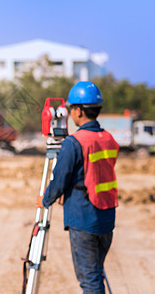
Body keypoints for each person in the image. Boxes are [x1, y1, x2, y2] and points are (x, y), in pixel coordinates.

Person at [39, 81, 119, 293]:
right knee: (96, 273)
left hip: (84, 219)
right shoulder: (108, 139)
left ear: (78, 111)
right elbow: (94, 174)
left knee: (90, 281)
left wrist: (45, 200)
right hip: (106, 217)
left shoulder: (74, 142)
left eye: (71, 108)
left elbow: (59, 180)